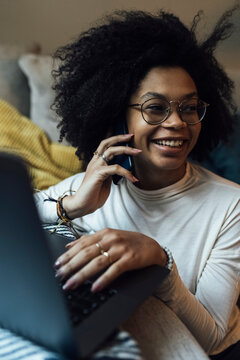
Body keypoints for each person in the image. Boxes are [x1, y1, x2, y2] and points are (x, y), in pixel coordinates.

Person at [35, 7, 240, 359]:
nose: (177, 122)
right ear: (118, 115)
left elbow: (212, 339)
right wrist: (72, 206)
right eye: (156, 108)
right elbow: (19, 220)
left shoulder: (231, 206)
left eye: (189, 108)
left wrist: (161, 262)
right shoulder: (92, 186)